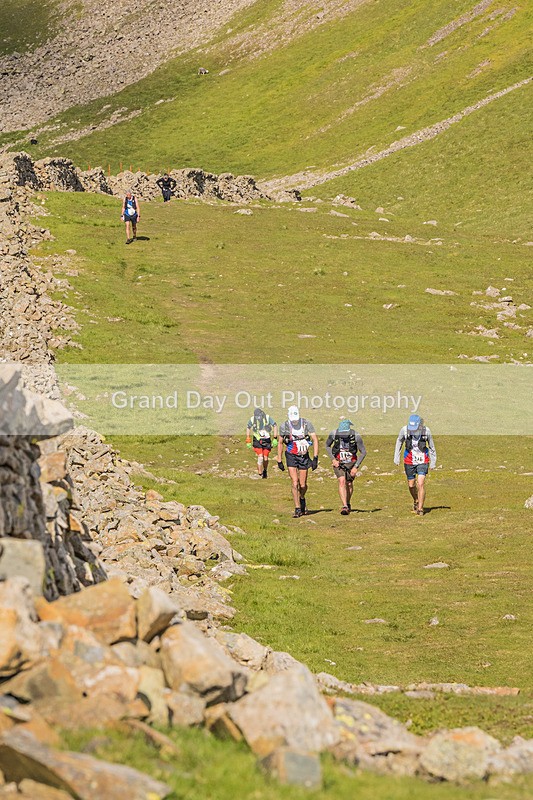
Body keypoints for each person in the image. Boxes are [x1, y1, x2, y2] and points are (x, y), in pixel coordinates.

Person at [277, 405, 319, 518]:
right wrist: (279, 460)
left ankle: (302, 498)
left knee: (303, 484)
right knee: (294, 482)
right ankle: (297, 508)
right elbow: (280, 443)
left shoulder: (306, 424)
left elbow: (315, 439)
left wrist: (315, 458)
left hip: (304, 456)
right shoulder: (284, 426)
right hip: (291, 455)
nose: (294, 422)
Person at [394, 414, 437, 516]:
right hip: (409, 460)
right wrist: (396, 457)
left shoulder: (426, 431)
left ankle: (420, 508)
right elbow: (399, 441)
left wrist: (433, 461)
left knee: (420, 483)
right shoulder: (404, 430)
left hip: (423, 460)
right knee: (411, 484)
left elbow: (431, 446)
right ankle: (416, 499)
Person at [325, 419, 366, 515]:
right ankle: (344, 506)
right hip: (339, 463)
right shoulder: (334, 434)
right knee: (342, 481)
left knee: (349, 484)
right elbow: (327, 445)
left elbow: (363, 452)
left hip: (352, 463)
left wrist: (356, 466)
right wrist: (333, 459)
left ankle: (348, 502)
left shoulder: (356, 436)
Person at [246, 408, 278, 479]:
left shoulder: (267, 418)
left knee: (265, 458)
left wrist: (275, 438)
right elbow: (248, 427)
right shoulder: (252, 419)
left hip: (266, 440)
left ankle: (265, 471)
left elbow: (275, 425)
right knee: (260, 456)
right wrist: (248, 439)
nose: (258, 418)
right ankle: (260, 474)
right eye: (256, 417)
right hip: (257, 440)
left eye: (259, 416)